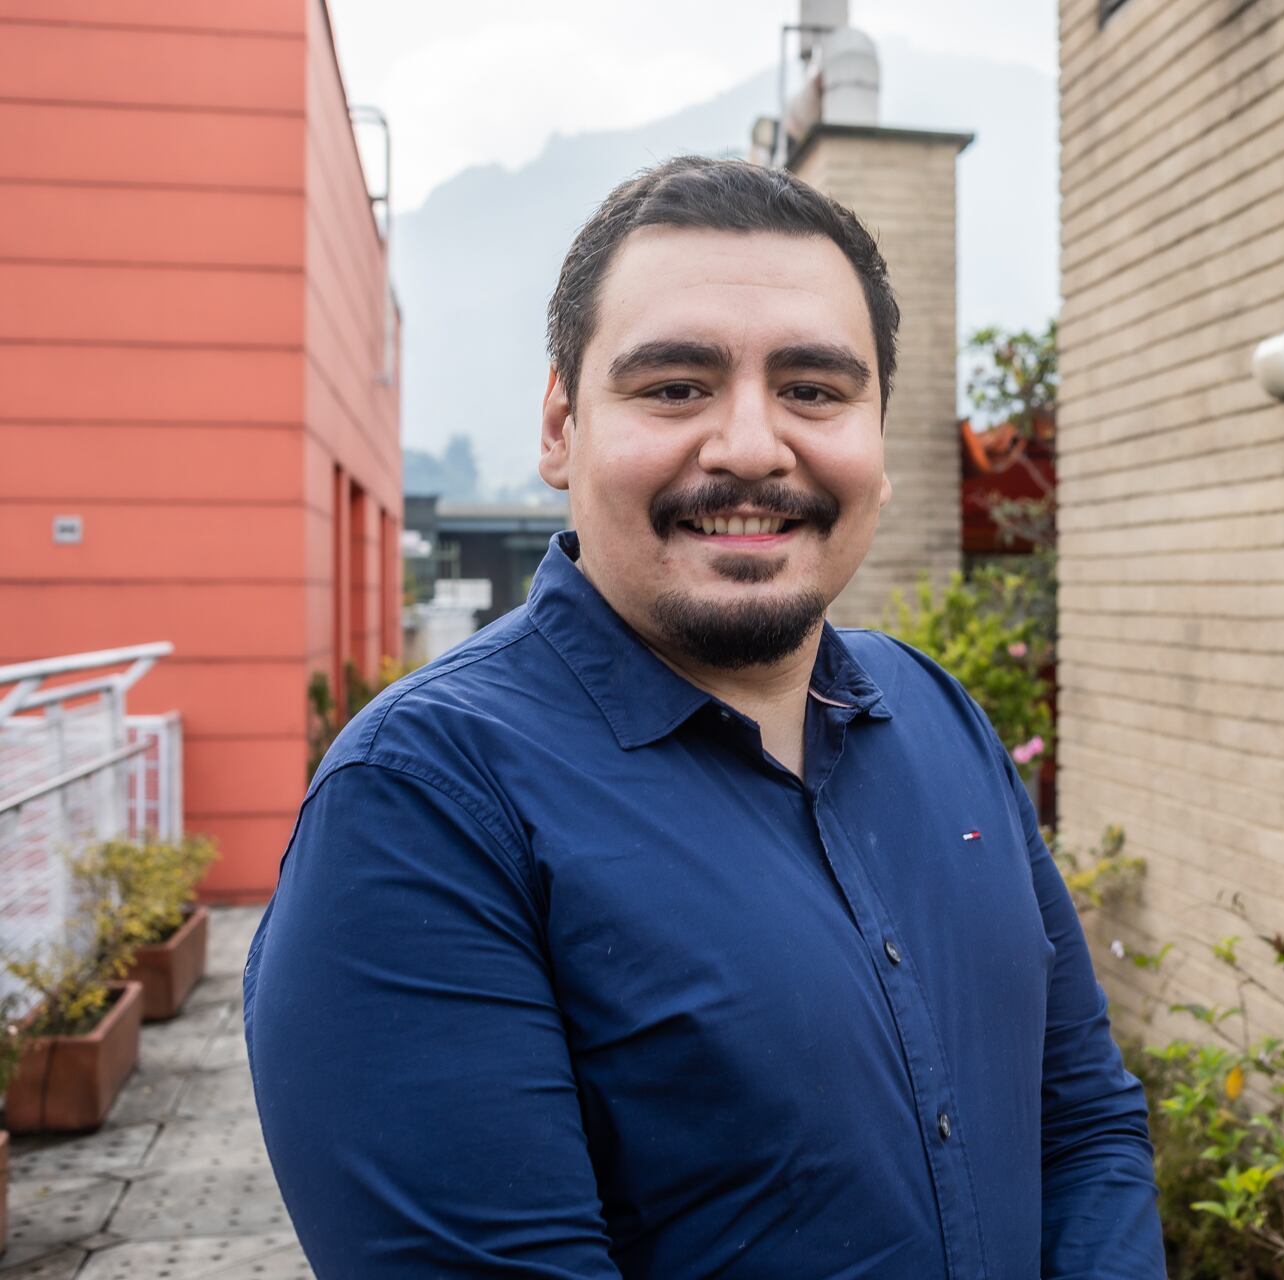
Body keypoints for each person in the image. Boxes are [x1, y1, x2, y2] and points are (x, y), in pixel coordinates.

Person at [243, 156, 1165, 1278]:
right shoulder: (422, 804)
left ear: (877, 435)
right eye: (675, 386)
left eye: (814, 390)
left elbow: (1084, 1129)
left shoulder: (940, 717)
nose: (749, 445)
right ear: (559, 425)